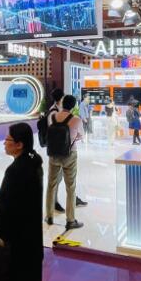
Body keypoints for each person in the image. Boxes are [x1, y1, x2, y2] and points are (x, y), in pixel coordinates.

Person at [0, 123, 44, 281]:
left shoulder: (15, 171)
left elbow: (6, 209)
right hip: (31, 237)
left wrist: (1, 236)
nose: (4, 143)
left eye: (8, 139)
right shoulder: (34, 161)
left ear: (19, 144)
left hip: (16, 240)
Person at [45, 95, 84, 230]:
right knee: (70, 187)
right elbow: (81, 136)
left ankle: (49, 216)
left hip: (54, 153)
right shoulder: (76, 119)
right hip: (69, 154)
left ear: (62, 103)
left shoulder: (53, 116)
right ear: (73, 106)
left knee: (51, 185)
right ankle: (70, 220)